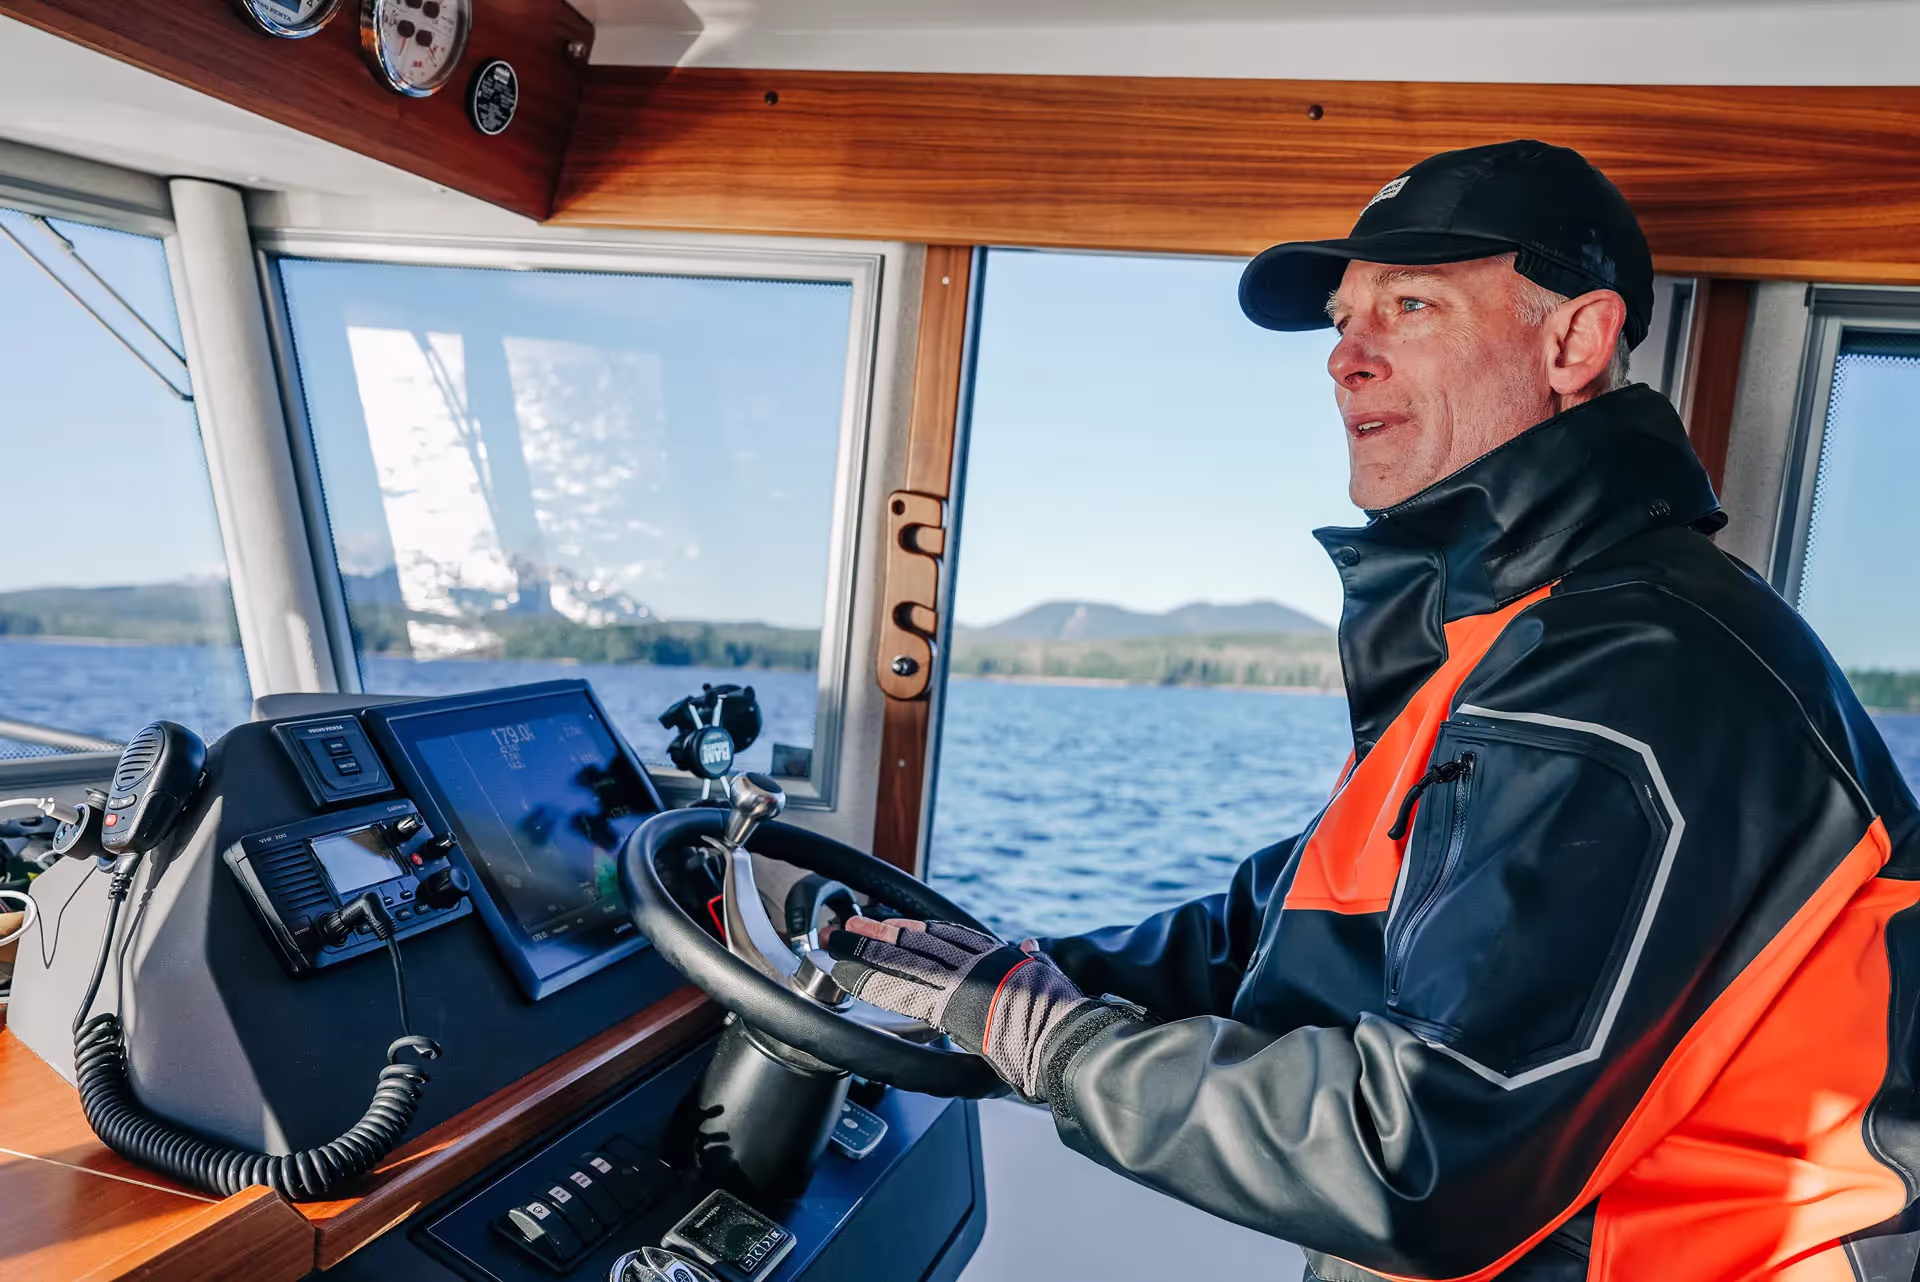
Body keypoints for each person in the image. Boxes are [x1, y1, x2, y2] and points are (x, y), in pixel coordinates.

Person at [825, 140, 1920, 1281]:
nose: (1347, 357)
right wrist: (1010, 969)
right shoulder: (1514, 634)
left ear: (1574, 342)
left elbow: (1426, 1164)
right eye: (1347, 318)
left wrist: (1044, 1037)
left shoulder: (1634, 669)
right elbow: (1291, 920)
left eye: (1411, 304)